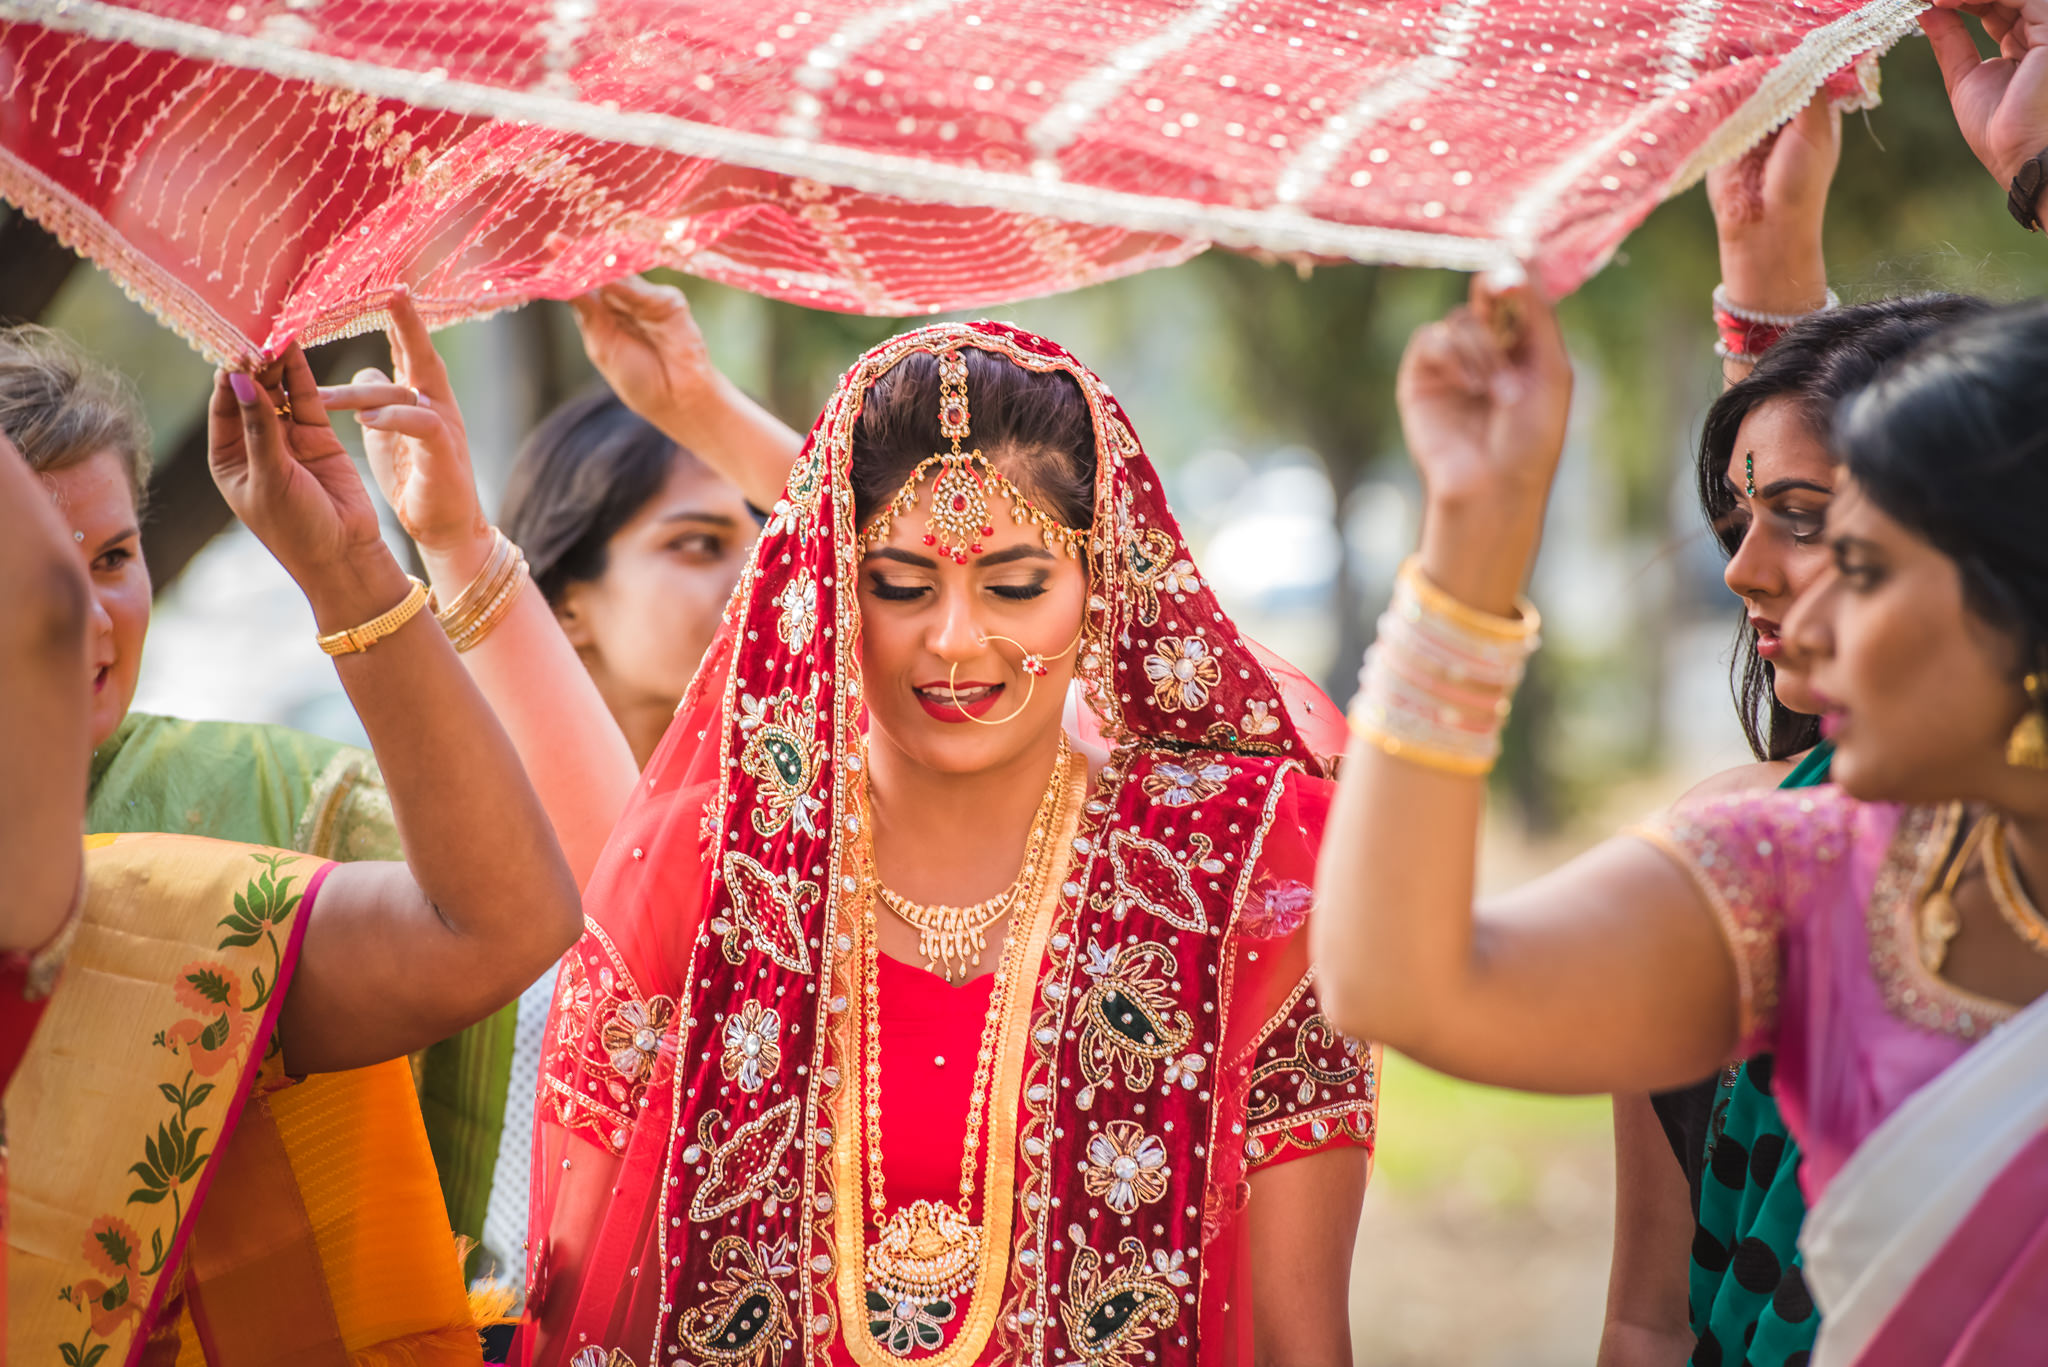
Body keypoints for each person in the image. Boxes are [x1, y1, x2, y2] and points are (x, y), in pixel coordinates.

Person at [348, 310, 1379, 1365]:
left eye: (1015, 585)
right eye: (898, 585)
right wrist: (442, 550)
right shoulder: (728, 877)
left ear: (1102, 582)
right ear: (827, 587)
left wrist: (702, 410)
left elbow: (1302, 1337)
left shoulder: (1229, 872)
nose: (956, 638)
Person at [8, 345, 583, 1365]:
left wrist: (348, 566)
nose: (89, 621)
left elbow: (507, 923)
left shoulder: (225, 844)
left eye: (112, 559)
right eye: (38, 578)